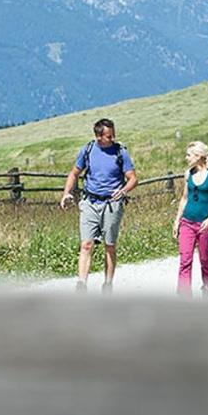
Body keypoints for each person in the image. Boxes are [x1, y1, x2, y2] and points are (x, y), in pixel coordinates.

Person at [60, 118, 137, 292]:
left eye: (113, 135)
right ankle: (81, 284)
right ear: (98, 136)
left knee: (109, 245)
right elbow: (74, 173)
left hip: (112, 204)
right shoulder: (87, 150)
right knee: (86, 244)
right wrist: (67, 193)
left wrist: (123, 191)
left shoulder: (121, 152)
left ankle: (108, 284)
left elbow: (133, 178)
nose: (113, 138)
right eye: (109, 136)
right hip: (90, 202)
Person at [173, 141, 208, 297]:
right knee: (185, 260)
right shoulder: (188, 174)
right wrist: (177, 220)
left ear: (198, 156)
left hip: (206, 224)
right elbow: (184, 198)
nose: (186, 158)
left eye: (189, 155)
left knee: (205, 260)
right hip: (187, 222)